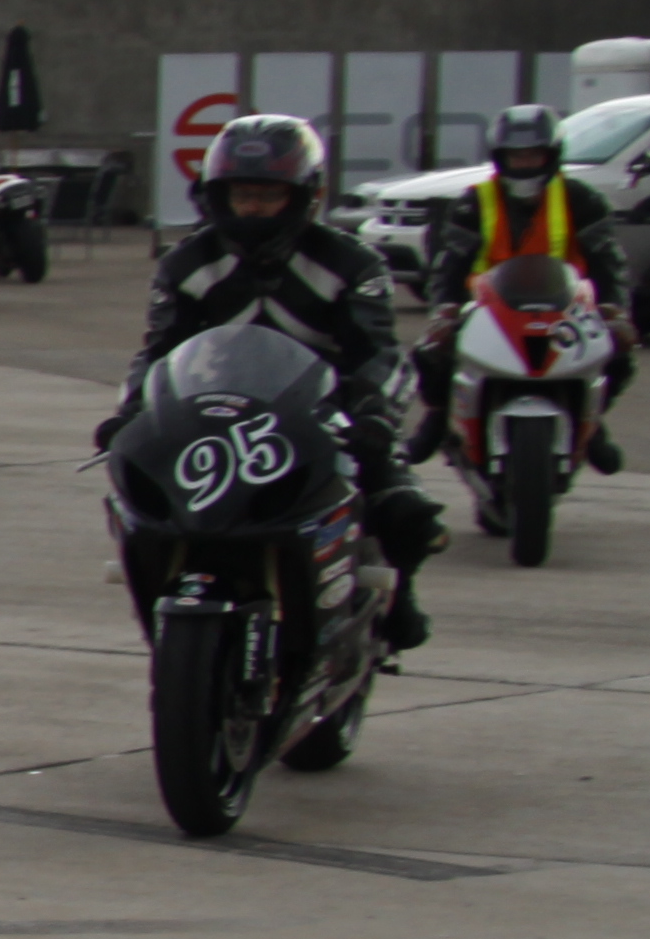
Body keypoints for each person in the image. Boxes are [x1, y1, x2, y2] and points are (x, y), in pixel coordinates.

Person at [111, 113, 440, 647]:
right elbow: (158, 351)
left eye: (269, 195)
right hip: (210, 415)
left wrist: (375, 414)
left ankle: (399, 595)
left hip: (328, 414)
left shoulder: (354, 263)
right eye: (242, 194)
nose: (254, 208)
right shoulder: (185, 264)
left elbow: (381, 352)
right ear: (218, 195)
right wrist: (129, 414)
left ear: (305, 196)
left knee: (407, 512)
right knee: (139, 494)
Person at [419, 102, 631, 472]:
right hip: (488, 309)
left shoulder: (583, 200)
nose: (525, 163)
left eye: (534, 154)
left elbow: (608, 261)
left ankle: (592, 422)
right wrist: (444, 309)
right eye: (516, 156)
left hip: (566, 309)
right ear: (500, 157)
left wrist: (616, 309)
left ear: (552, 155)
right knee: (429, 353)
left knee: (621, 351)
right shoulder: (473, 202)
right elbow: (450, 264)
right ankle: (438, 417)